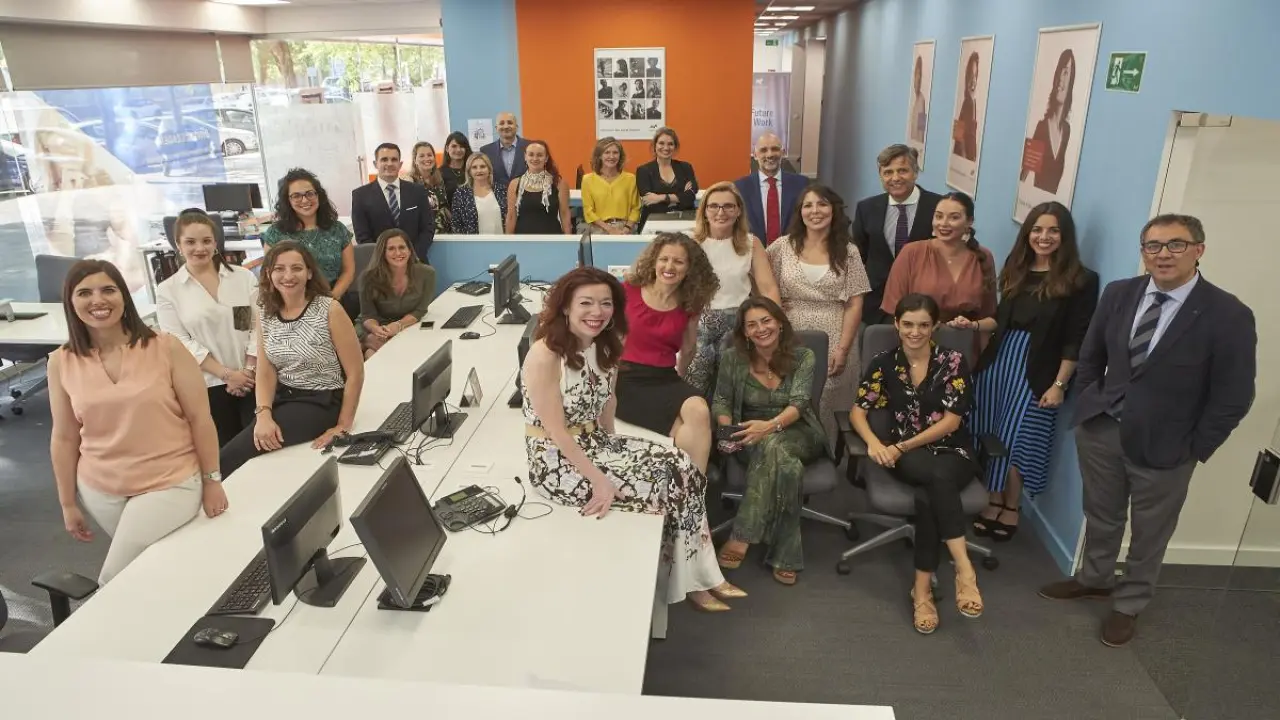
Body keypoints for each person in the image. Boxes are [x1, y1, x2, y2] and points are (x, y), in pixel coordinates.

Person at [1038, 214, 1256, 648]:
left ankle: (1129, 603)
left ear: (1199, 250)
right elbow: (1091, 356)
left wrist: (1196, 447)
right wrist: (1090, 403)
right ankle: (1095, 579)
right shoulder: (1120, 293)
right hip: (1102, 430)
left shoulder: (1227, 314)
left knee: (1150, 531)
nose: (1163, 254)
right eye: (1153, 246)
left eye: (1176, 245)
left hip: (1168, 446)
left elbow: (1234, 396)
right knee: (1101, 514)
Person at [522, 266, 745, 612]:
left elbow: (608, 402)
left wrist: (616, 447)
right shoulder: (545, 354)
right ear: (565, 306)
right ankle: (693, 582)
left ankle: (701, 574)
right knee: (670, 480)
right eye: (586, 303)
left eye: (605, 303)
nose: (597, 312)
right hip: (556, 463)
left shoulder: (604, 345)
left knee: (683, 464)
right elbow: (557, 433)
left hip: (596, 442)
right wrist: (601, 481)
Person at [48, 259, 228, 584]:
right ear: (70, 302)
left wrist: (212, 480)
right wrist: (67, 502)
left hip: (170, 480)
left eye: (108, 290)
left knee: (115, 578)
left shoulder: (166, 347)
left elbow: (200, 419)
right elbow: (64, 437)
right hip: (101, 488)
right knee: (153, 570)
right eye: (84, 293)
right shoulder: (61, 362)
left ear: (124, 295)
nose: (98, 300)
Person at [963, 202, 1098, 541]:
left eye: (1053, 230)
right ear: (1027, 233)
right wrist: (972, 325)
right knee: (989, 431)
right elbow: (1001, 321)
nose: (1044, 237)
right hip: (999, 363)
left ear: (1065, 236)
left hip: (1039, 371)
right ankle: (992, 498)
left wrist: (1059, 385)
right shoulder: (1017, 268)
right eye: (1037, 229)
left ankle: (1012, 505)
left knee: (1019, 438)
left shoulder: (1081, 280)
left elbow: (1076, 338)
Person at [851, 293, 984, 634]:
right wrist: (874, 443)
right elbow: (858, 412)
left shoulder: (952, 361)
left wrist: (900, 446)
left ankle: (922, 592)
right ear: (896, 324)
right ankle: (964, 570)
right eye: (908, 324)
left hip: (952, 451)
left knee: (931, 492)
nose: (915, 332)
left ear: (935, 326)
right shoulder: (883, 363)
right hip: (908, 457)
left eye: (924, 325)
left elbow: (951, 422)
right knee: (936, 480)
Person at [219, 242, 365, 477]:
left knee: (229, 457)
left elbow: (356, 372)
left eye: (296, 268)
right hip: (283, 396)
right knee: (248, 442)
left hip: (320, 399)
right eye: (279, 269)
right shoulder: (266, 311)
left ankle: (209, 491)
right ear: (269, 273)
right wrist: (263, 413)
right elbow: (265, 369)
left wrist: (343, 426)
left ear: (309, 273)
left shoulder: (329, 309)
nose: (288, 276)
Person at [712, 297, 827, 585]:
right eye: (752, 325)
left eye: (766, 321)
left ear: (779, 323)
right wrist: (728, 430)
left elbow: (800, 403)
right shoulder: (733, 358)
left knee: (773, 443)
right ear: (745, 332)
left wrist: (770, 427)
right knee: (788, 466)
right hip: (748, 434)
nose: (761, 329)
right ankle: (786, 555)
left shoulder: (803, 356)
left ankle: (742, 535)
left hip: (798, 430)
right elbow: (722, 400)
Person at [768, 184, 871, 438]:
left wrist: (843, 349)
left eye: (822, 204)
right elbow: (758, 279)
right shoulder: (782, 246)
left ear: (833, 210)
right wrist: (772, 304)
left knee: (828, 395)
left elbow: (855, 303)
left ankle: (827, 450)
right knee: (787, 392)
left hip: (835, 332)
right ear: (800, 211)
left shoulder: (848, 251)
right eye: (808, 205)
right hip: (789, 332)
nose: (815, 211)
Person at [615, 233, 718, 475]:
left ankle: (693, 487)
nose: (669, 267)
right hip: (625, 376)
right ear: (654, 261)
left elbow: (689, 347)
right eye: (664, 259)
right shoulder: (627, 290)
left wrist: (679, 377)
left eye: (678, 262)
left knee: (699, 410)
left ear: (689, 268)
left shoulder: (690, 302)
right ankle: (690, 487)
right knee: (686, 429)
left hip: (664, 376)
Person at [155, 209, 259, 447]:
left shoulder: (241, 278)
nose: (199, 248)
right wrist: (227, 375)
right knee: (224, 451)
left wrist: (247, 371)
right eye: (190, 242)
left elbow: (251, 326)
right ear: (178, 245)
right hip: (208, 384)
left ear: (215, 243)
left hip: (251, 378)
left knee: (259, 446)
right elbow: (179, 341)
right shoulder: (169, 290)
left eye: (206, 241)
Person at [685, 181, 780, 394]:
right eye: (714, 206)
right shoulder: (689, 243)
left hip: (738, 325)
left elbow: (768, 288)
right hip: (697, 324)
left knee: (730, 390)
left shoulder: (751, 243)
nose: (721, 212)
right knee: (693, 389)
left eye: (728, 206)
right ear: (704, 211)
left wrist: (776, 326)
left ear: (738, 211)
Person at [851, 144, 943, 325]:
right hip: (876, 305)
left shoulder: (937, 206)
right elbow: (859, 257)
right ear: (881, 176)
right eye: (888, 172)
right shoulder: (866, 208)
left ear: (915, 172)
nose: (895, 178)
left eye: (902, 171)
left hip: (923, 306)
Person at [880, 190, 996, 324]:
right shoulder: (911, 253)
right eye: (939, 216)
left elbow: (989, 315)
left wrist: (972, 326)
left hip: (965, 335)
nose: (944, 223)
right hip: (917, 333)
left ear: (969, 221)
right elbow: (893, 308)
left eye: (954, 218)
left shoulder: (983, 257)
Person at [262, 168, 358, 319]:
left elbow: (348, 270)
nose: (305, 200)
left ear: (319, 195)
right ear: (287, 200)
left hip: (333, 303)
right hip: (290, 306)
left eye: (310, 193)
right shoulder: (276, 233)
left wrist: (330, 300)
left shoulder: (337, 229)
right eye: (296, 196)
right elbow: (270, 274)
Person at [351, 143, 436, 261]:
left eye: (394, 159)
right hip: (380, 264)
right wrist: (385, 260)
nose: (390, 163)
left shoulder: (418, 191)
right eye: (384, 159)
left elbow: (428, 228)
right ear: (375, 164)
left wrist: (413, 255)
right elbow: (362, 236)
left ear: (400, 164)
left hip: (415, 262)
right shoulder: (360, 195)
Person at [357, 229, 436, 358]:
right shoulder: (368, 278)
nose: (398, 253)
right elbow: (368, 315)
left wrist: (398, 325)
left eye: (402, 247)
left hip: (405, 325)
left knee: (372, 353)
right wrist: (375, 330)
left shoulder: (427, 274)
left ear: (409, 250)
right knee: (375, 352)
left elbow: (420, 310)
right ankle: (366, 343)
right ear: (383, 253)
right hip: (372, 326)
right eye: (391, 249)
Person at [734, 132, 806, 245]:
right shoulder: (740, 187)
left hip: (792, 250)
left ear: (783, 153)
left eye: (775, 149)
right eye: (763, 150)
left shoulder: (801, 184)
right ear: (755, 155)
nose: (770, 155)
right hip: (752, 250)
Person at [1021, 49, 1075, 194]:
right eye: (1060, 71)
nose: (1061, 78)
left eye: (1066, 72)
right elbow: (1024, 176)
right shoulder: (1042, 128)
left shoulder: (1067, 131)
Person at [635, 127, 697, 230]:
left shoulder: (686, 167)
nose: (666, 147)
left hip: (683, 221)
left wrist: (660, 198)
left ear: (675, 146)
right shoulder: (643, 170)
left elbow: (690, 197)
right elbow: (649, 201)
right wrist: (679, 198)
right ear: (654, 145)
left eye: (670, 144)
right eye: (661, 143)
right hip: (653, 223)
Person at [505, 140, 572, 235]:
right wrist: (508, 240)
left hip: (552, 239)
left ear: (546, 158)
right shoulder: (514, 184)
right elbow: (511, 216)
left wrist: (568, 240)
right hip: (522, 240)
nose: (535, 158)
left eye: (539, 155)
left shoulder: (559, 184)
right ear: (525, 157)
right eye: (531, 155)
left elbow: (565, 216)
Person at [580, 137, 640, 235]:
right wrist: (610, 229)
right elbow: (588, 211)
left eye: (615, 153)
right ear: (599, 156)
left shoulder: (630, 179)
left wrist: (626, 229)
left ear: (620, 156)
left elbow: (636, 208)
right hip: (599, 229)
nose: (611, 156)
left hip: (626, 229)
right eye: (607, 152)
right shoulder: (587, 180)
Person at [451, 152, 507, 235]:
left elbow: (510, 218)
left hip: (501, 241)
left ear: (489, 169)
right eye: (474, 167)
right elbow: (456, 224)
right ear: (469, 171)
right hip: (473, 242)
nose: (479, 170)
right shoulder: (461, 194)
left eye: (483, 166)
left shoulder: (501, 190)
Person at [402, 141, 451, 234]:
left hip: (443, 233)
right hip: (422, 234)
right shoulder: (409, 181)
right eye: (422, 156)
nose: (427, 158)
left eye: (429, 155)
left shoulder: (439, 179)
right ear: (415, 160)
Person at [479, 112, 531, 188]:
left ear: (516, 127)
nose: (506, 126)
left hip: (526, 194)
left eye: (510, 123)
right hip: (496, 195)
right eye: (501, 123)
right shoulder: (485, 151)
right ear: (496, 128)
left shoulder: (530, 147)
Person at [952, 52, 980, 162]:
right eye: (971, 76)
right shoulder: (966, 103)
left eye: (975, 76)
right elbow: (959, 137)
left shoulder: (973, 103)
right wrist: (965, 161)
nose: (973, 81)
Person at [440, 131, 473, 200]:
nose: (458, 150)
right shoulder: (440, 173)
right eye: (454, 146)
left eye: (462, 146)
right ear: (447, 148)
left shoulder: (473, 169)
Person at [909, 55, 929, 145]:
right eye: (916, 76)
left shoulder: (922, 101)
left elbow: (921, 129)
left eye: (919, 77)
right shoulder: (914, 100)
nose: (917, 81)